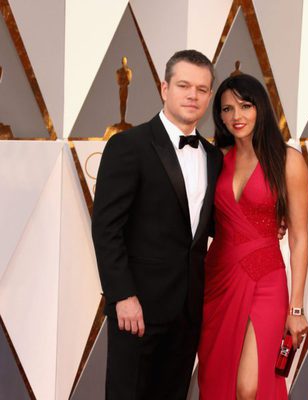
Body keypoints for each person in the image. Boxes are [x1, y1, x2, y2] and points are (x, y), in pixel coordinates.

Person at [91, 50, 223, 399]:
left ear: (209, 96)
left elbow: (207, 226)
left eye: (201, 88)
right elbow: (106, 228)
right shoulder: (128, 146)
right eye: (183, 85)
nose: (192, 95)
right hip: (137, 308)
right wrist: (122, 295)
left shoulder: (213, 157)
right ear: (164, 88)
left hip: (188, 310)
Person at [198, 73, 308, 399]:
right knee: (217, 379)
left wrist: (297, 308)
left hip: (266, 279)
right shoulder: (216, 159)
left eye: (245, 106)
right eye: (227, 109)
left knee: (249, 387)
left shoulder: (289, 160)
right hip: (217, 278)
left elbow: (300, 238)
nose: (237, 117)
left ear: (260, 107)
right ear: (219, 115)